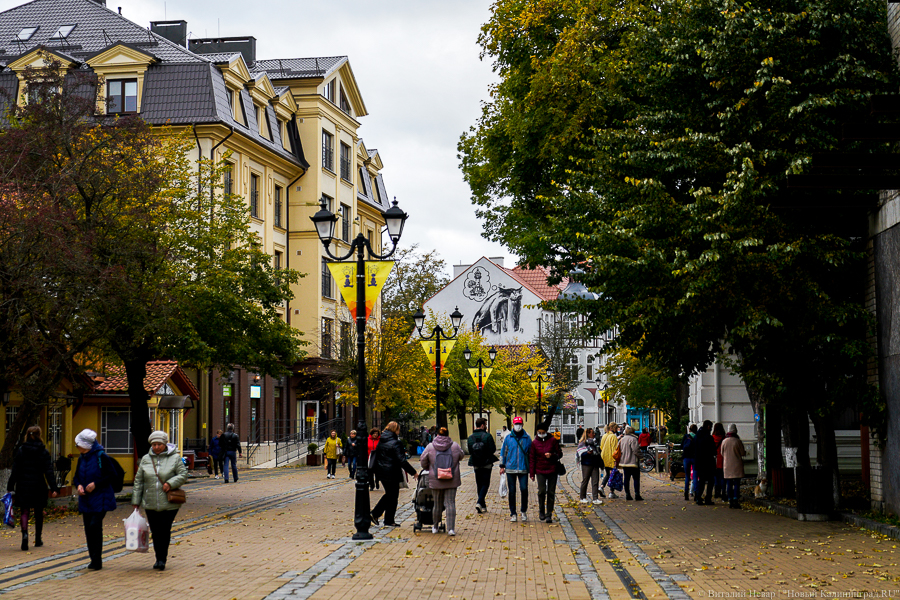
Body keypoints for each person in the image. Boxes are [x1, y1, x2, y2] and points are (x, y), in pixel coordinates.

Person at [132, 431, 188, 571]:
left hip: (169, 503)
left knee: (164, 529)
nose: (156, 447)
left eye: (159, 444)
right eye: (154, 444)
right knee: (155, 531)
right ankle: (158, 558)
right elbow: (139, 481)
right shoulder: (146, 459)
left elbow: (183, 474)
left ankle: (162, 558)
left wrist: (170, 483)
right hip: (150, 502)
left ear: (165, 444)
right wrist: (136, 501)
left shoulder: (174, 458)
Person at [7, 426, 59, 551]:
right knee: (38, 512)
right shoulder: (43, 451)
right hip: (38, 485)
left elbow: (15, 470)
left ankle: (24, 535)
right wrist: (54, 488)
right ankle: (38, 539)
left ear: (27, 435)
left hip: (23, 485)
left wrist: (10, 486)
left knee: (24, 511)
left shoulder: (21, 450)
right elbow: (49, 471)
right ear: (39, 435)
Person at [72, 429, 117, 570]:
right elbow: (76, 476)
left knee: (94, 526)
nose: (77, 447)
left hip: (101, 498)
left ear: (85, 445)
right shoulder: (81, 458)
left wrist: (96, 484)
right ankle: (93, 559)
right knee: (88, 529)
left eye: (78, 445)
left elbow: (112, 475)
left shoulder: (101, 456)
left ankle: (97, 559)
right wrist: (78, 485)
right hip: (86, 499)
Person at [370, 421, 417, 527]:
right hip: (392, 472)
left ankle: (388, 519)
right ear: (396, 430)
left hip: (382, 471)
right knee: (392, 495)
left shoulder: (381, 440)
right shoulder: (396, 442)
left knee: (391, 495)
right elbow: (402, 460)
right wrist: (413, 472)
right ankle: (376, 514)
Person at [420, 426, 464, 535]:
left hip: (436, 479)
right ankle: (451, 529)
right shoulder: (455, 446)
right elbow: (461, 456)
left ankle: (435, 527)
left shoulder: (430, 446)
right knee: (450, 503)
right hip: (451, 479)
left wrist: (429, 468)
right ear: (448, 434)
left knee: (437, 504)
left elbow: (423, 460)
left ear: (437, 435)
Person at [499, 416, 531, 522]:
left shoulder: (527, 438)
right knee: (512, 491)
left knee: (524, 489)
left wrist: (532, 468)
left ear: (522, 424)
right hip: (510, 468)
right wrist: (502, 465)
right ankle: (513, 513)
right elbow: (503, 452)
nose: (518, 426)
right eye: (516, 424)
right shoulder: (508, 438)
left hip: (523, 468)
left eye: (520, 424)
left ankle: (523, 511)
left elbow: (531, 453)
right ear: (513, 425)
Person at [528, 425, 562, 523]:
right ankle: (541, 510)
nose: (541, 434)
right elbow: (532, 458)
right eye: (540, 433)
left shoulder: (553, 440)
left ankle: (549, 514)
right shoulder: (534, 443)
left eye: (543, 432)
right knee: (541, 491)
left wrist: (552, 455)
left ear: (546, 432)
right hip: (540, 470)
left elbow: (559, 454)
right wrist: (532, 473)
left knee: (551, 492)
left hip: (552, 469)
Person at [467, 417, 498, 513]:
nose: (486, 426)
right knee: (485, 483)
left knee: (479, 484)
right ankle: (480, 502)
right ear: (482, 425)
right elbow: (493, 449)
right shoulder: (488, 436)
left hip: (476, 463)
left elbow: (470, 451)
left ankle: (482, 506)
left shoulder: (470, 438)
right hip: (487, 463)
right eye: (485, 425)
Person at [720, 424, 746, 508]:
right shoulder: (737, 441)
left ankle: (730, 499)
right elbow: (742, 453)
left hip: (727, 465)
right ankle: (735, 499)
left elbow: (721, 453)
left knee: (729, 483)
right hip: (737, 465)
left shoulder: (724, 441)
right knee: (737, 483)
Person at [577, 428, 603, 504]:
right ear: (588, 434)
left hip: (595, 463)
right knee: (585, 480)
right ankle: (582, 497)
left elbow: (598, 452)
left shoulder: (595, 442)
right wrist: (587, 453)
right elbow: (580, 453)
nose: (594, 434)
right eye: (592, 433)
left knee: (595, 481)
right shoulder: (583, 443)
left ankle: (595, 498)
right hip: (586, 464)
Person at [693, 420, 716, 505]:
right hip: (708, 462)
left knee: (701, 481)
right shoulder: (709, 437)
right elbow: (713, 451)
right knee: (710, 481)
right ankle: (708, 498)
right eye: (711, 427)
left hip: (699, 462)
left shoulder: (697, 436)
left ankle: (698, 497)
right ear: (708, 427)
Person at [618, 426, 643, 501]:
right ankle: (637, 494)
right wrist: (641, 457)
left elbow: (619, 449)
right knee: (636, 478)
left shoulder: (622, 439)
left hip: (624, 462)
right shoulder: (633, 439)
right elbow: (636, 450)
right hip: (633, 462)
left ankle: (627, 494)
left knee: (626, 478)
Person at [599, 422, 620, 498]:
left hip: (604, 457)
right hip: (611, 458)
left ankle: (602, 487)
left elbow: (601, 447)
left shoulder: (604, 435)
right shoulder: (613, 436)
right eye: (616, 428)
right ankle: (611, 492)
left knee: (608, 474)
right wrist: (615, 459)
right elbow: (615, 449)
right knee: (613, 475)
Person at [681, 424, 697, 501]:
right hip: (694, 458)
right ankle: (696, 494)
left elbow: (681, 446)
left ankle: (686, 493)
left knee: (687, 476)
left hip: (686, 458)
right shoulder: (697, 437)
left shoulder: (686, 436)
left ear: (689, 429)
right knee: (695, 476)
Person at [712, 422, 727, 499]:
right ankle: (723, 491)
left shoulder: (712, 438)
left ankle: (716, 492)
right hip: (722, 459)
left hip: (715, 459)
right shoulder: (724, 438)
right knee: (722, 477)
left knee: (715, 477)